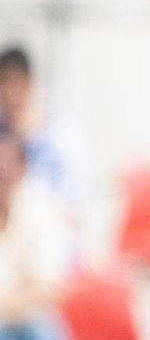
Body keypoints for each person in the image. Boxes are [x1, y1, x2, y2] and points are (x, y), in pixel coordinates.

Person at [0, 127, 73, 340]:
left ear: (22, 168)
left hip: (26, 319)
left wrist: (6, 306)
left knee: (45, 336)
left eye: (7, 163)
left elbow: (52, 289)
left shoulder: (41, 209)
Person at [0, 45, 87, 219]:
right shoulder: (4, 134)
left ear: (29, 82)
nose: (10, 92)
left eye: (16, 81)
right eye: (4, 82)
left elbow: (76, 196)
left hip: (50, 222)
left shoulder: (60, 133)